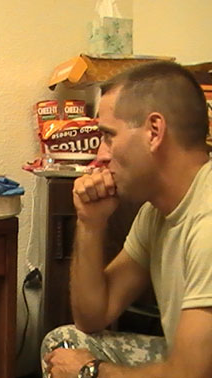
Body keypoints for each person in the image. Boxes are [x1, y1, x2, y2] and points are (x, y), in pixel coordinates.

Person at [41, 61, 212, 378]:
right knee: (66, 341)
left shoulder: (208, 221)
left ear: (154, 132)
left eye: (108, 136)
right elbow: (92, 317)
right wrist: (90, 223)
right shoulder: (156, 213)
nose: (100, 156)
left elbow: (192, 374)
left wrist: (91, 371)